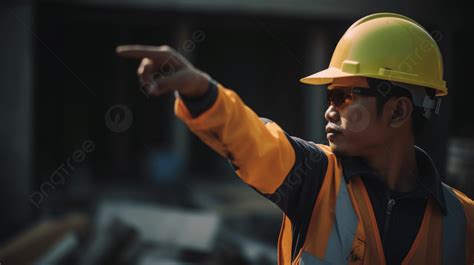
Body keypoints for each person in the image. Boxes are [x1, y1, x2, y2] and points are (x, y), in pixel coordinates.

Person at [117, 12, 473, 265]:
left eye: (344, 97)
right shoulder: (315, 178)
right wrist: (200, 90)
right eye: (330, 96)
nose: (328, 111)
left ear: (397, 112)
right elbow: (253, 141)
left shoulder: (465, 221)